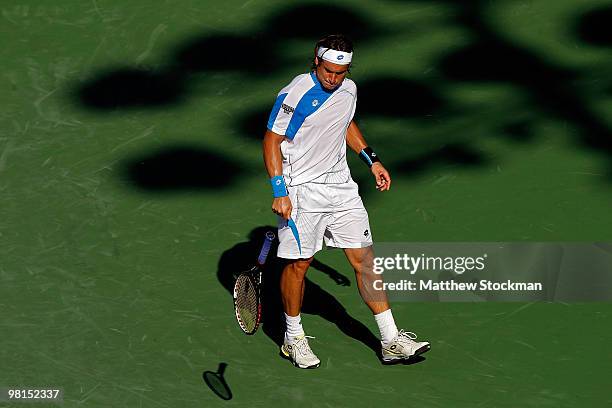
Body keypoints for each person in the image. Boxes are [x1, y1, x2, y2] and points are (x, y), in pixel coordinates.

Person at [262, 34, 430, 369]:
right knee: (299, 265)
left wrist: (372, 159)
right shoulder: (295, 93)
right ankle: (292, 337)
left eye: (340, 73)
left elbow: (345, 123)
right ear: (316, 61)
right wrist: (279, 190)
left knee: (365, 261)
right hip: (301, 190)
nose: (333, 78)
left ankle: (390, 340)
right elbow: (271, 139)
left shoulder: (348, 90)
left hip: (341, 188)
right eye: (327, 71)